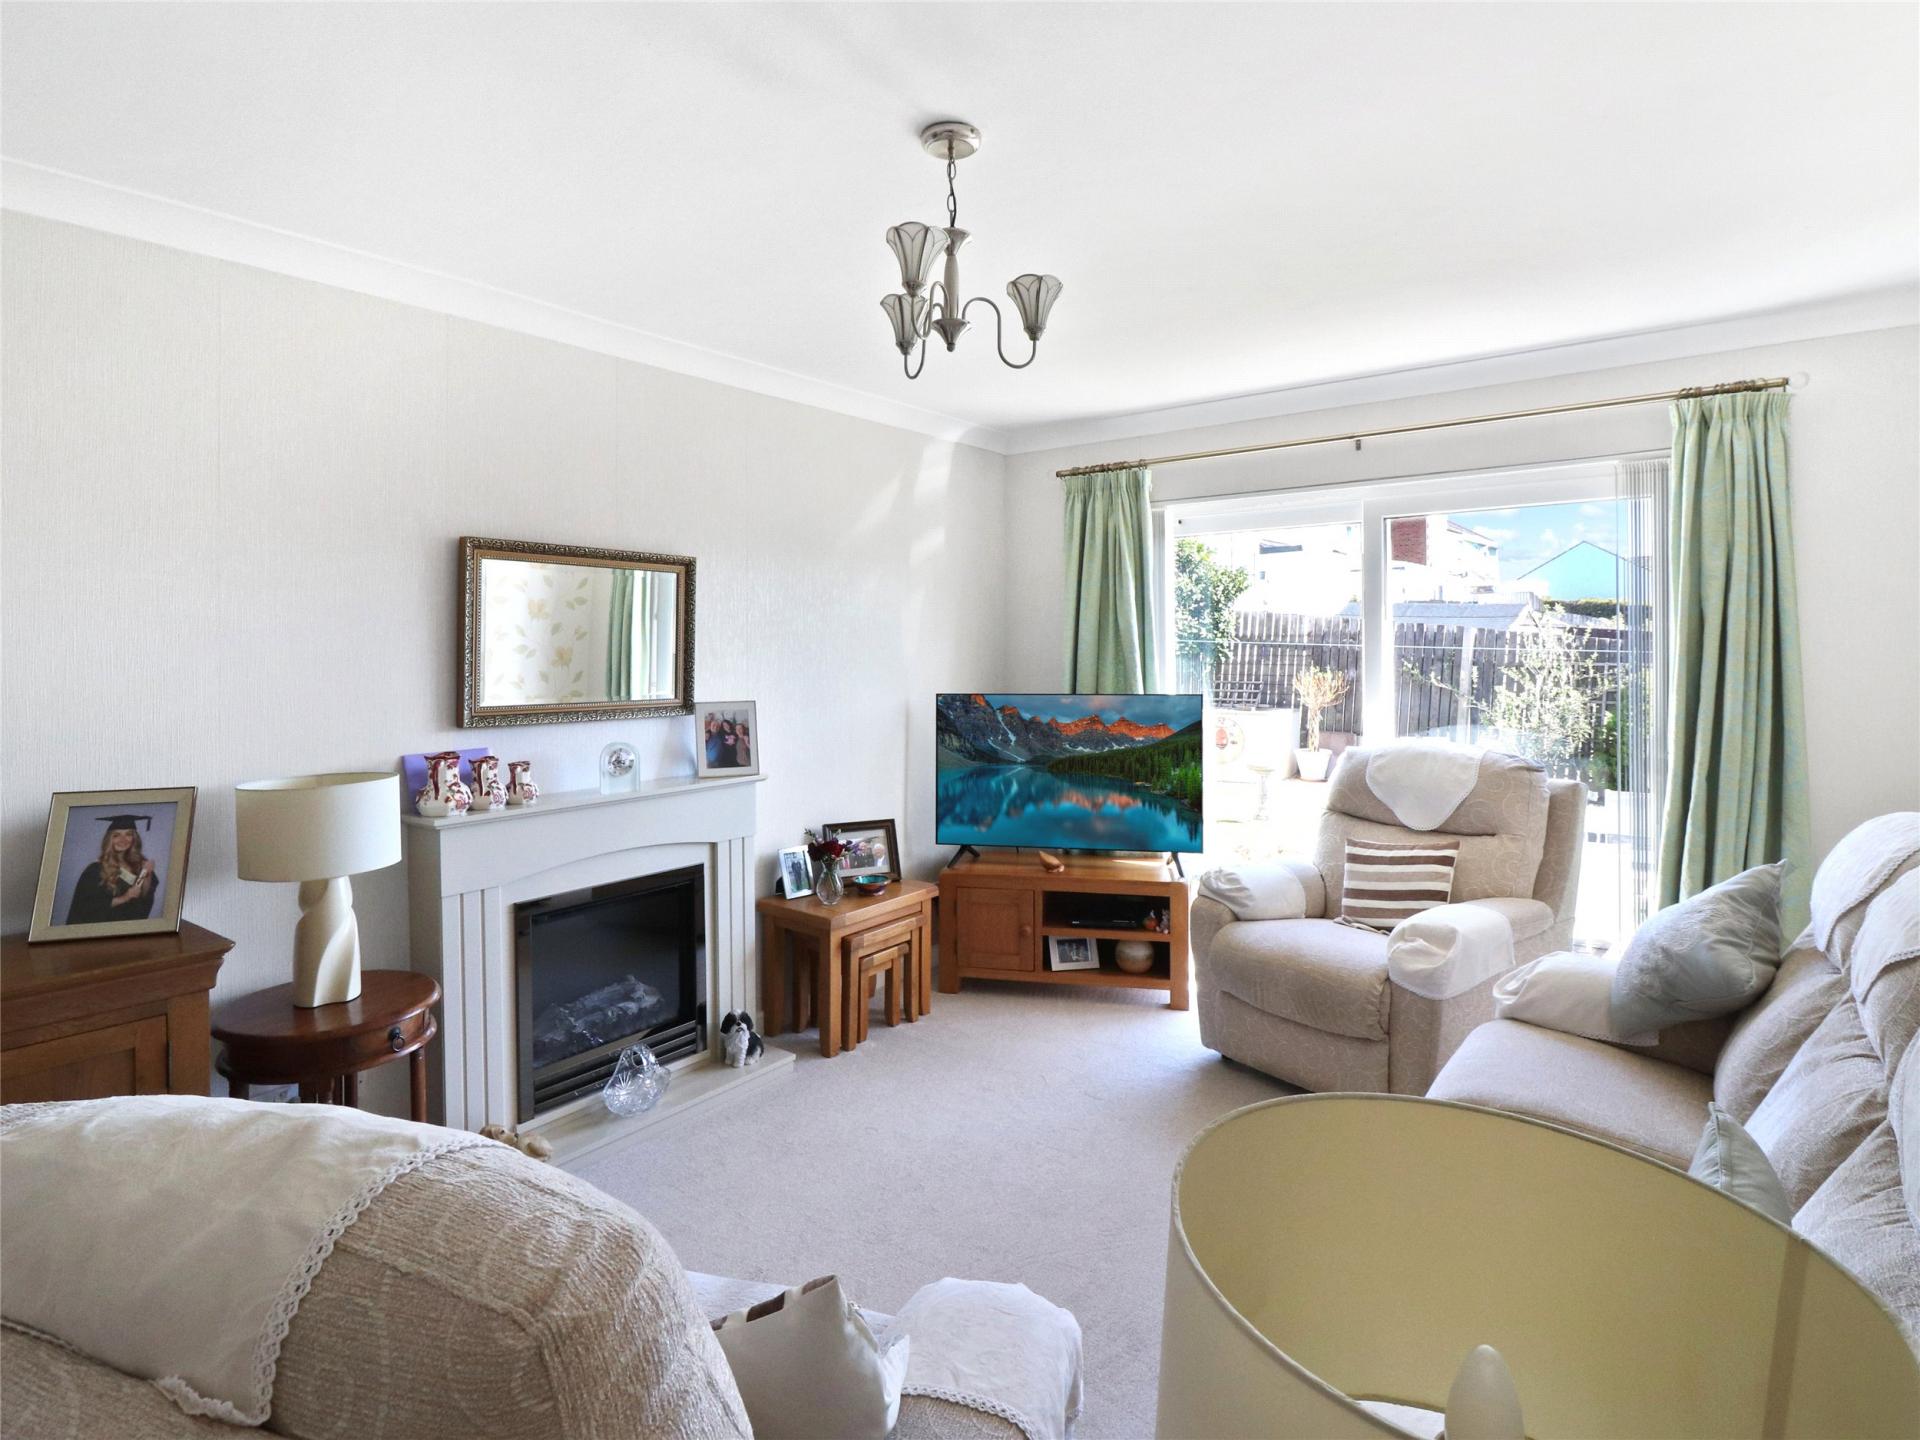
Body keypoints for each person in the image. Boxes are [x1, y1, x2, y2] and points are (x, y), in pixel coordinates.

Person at [65, 813, 159, 925]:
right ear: (109, 839)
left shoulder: (138, 864)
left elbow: (144, 898)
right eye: (116, 835)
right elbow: (86, 907)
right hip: (104, 928)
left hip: (129, 928)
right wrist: (125, 897)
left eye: (128, 834)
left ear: (134, 838)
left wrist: (147, 873)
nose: (123, 840)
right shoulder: (95, 870)